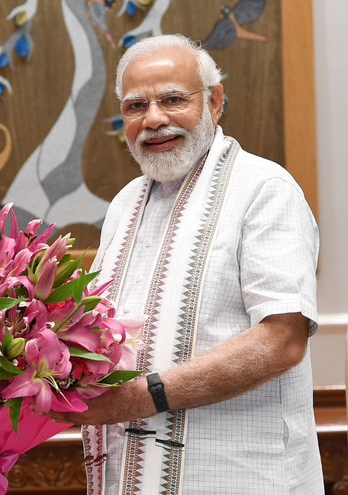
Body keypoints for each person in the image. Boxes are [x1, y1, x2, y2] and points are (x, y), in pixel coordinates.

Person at [52, 34, 323, 494]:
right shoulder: (125, 203)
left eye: (173, 99)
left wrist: (141, 398)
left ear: (215, 102)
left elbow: (283, 340)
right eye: (136, 106)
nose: (154, 119)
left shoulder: (264, 189)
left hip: (243, 475)